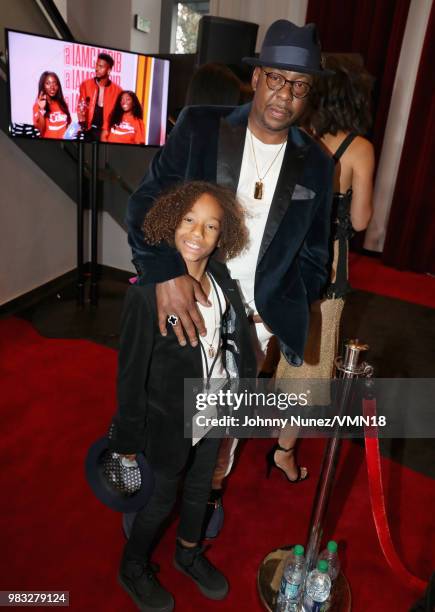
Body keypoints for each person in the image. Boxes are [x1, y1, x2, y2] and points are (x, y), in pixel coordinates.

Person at [126, 20, 334, 534]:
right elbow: (144, 206)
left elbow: (313, 258)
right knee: (168, 413)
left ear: (309, 95)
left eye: (300, 85)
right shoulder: (201, 125)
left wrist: (279, 308)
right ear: (258, 75)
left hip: (253, 324)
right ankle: (148, 501)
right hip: (188, 302)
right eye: (277, 79)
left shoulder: (317, 165)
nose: (286, 94)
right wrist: (166, 275)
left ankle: (206, 497)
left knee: (222, 432)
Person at [109, 180, 255, 611]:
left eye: (211, 226)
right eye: (189, 220)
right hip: (166, 421)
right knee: (159, 500)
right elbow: (130, 374)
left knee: (199, 492)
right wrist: (129, 440)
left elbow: (231, 345)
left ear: (222, 236)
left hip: (212, 409)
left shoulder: (223, 286)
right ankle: (132, 565)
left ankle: (188, 553)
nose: (197, 233)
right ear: (170, 223)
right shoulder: (146, 294)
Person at [274, 55, 375, 478]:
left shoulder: (295, 133)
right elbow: (360, 221)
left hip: (279, 253)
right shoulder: (359, 149)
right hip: (325, 265)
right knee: (311, 359)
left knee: (264, 341)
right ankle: (283, 452)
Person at [77, 52, 122, 141]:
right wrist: (82, 122)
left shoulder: (118, 91)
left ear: (109, 70)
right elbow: (81, 107)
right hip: (88, 131)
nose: (97, 69)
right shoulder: (86, 85)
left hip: (106, 134)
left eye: (101, 67)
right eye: (97, 65)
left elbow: (118, 115)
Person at [32, 71, 71, 139]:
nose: (52, 87)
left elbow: (68, 128)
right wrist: (42, 109)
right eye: (48, 83)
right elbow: (40, 131)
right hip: (49, 146)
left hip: (64, 145)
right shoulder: (37, 106)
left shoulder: (63, 105)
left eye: (54, 83)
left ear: (58, 86)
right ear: (43, 86)